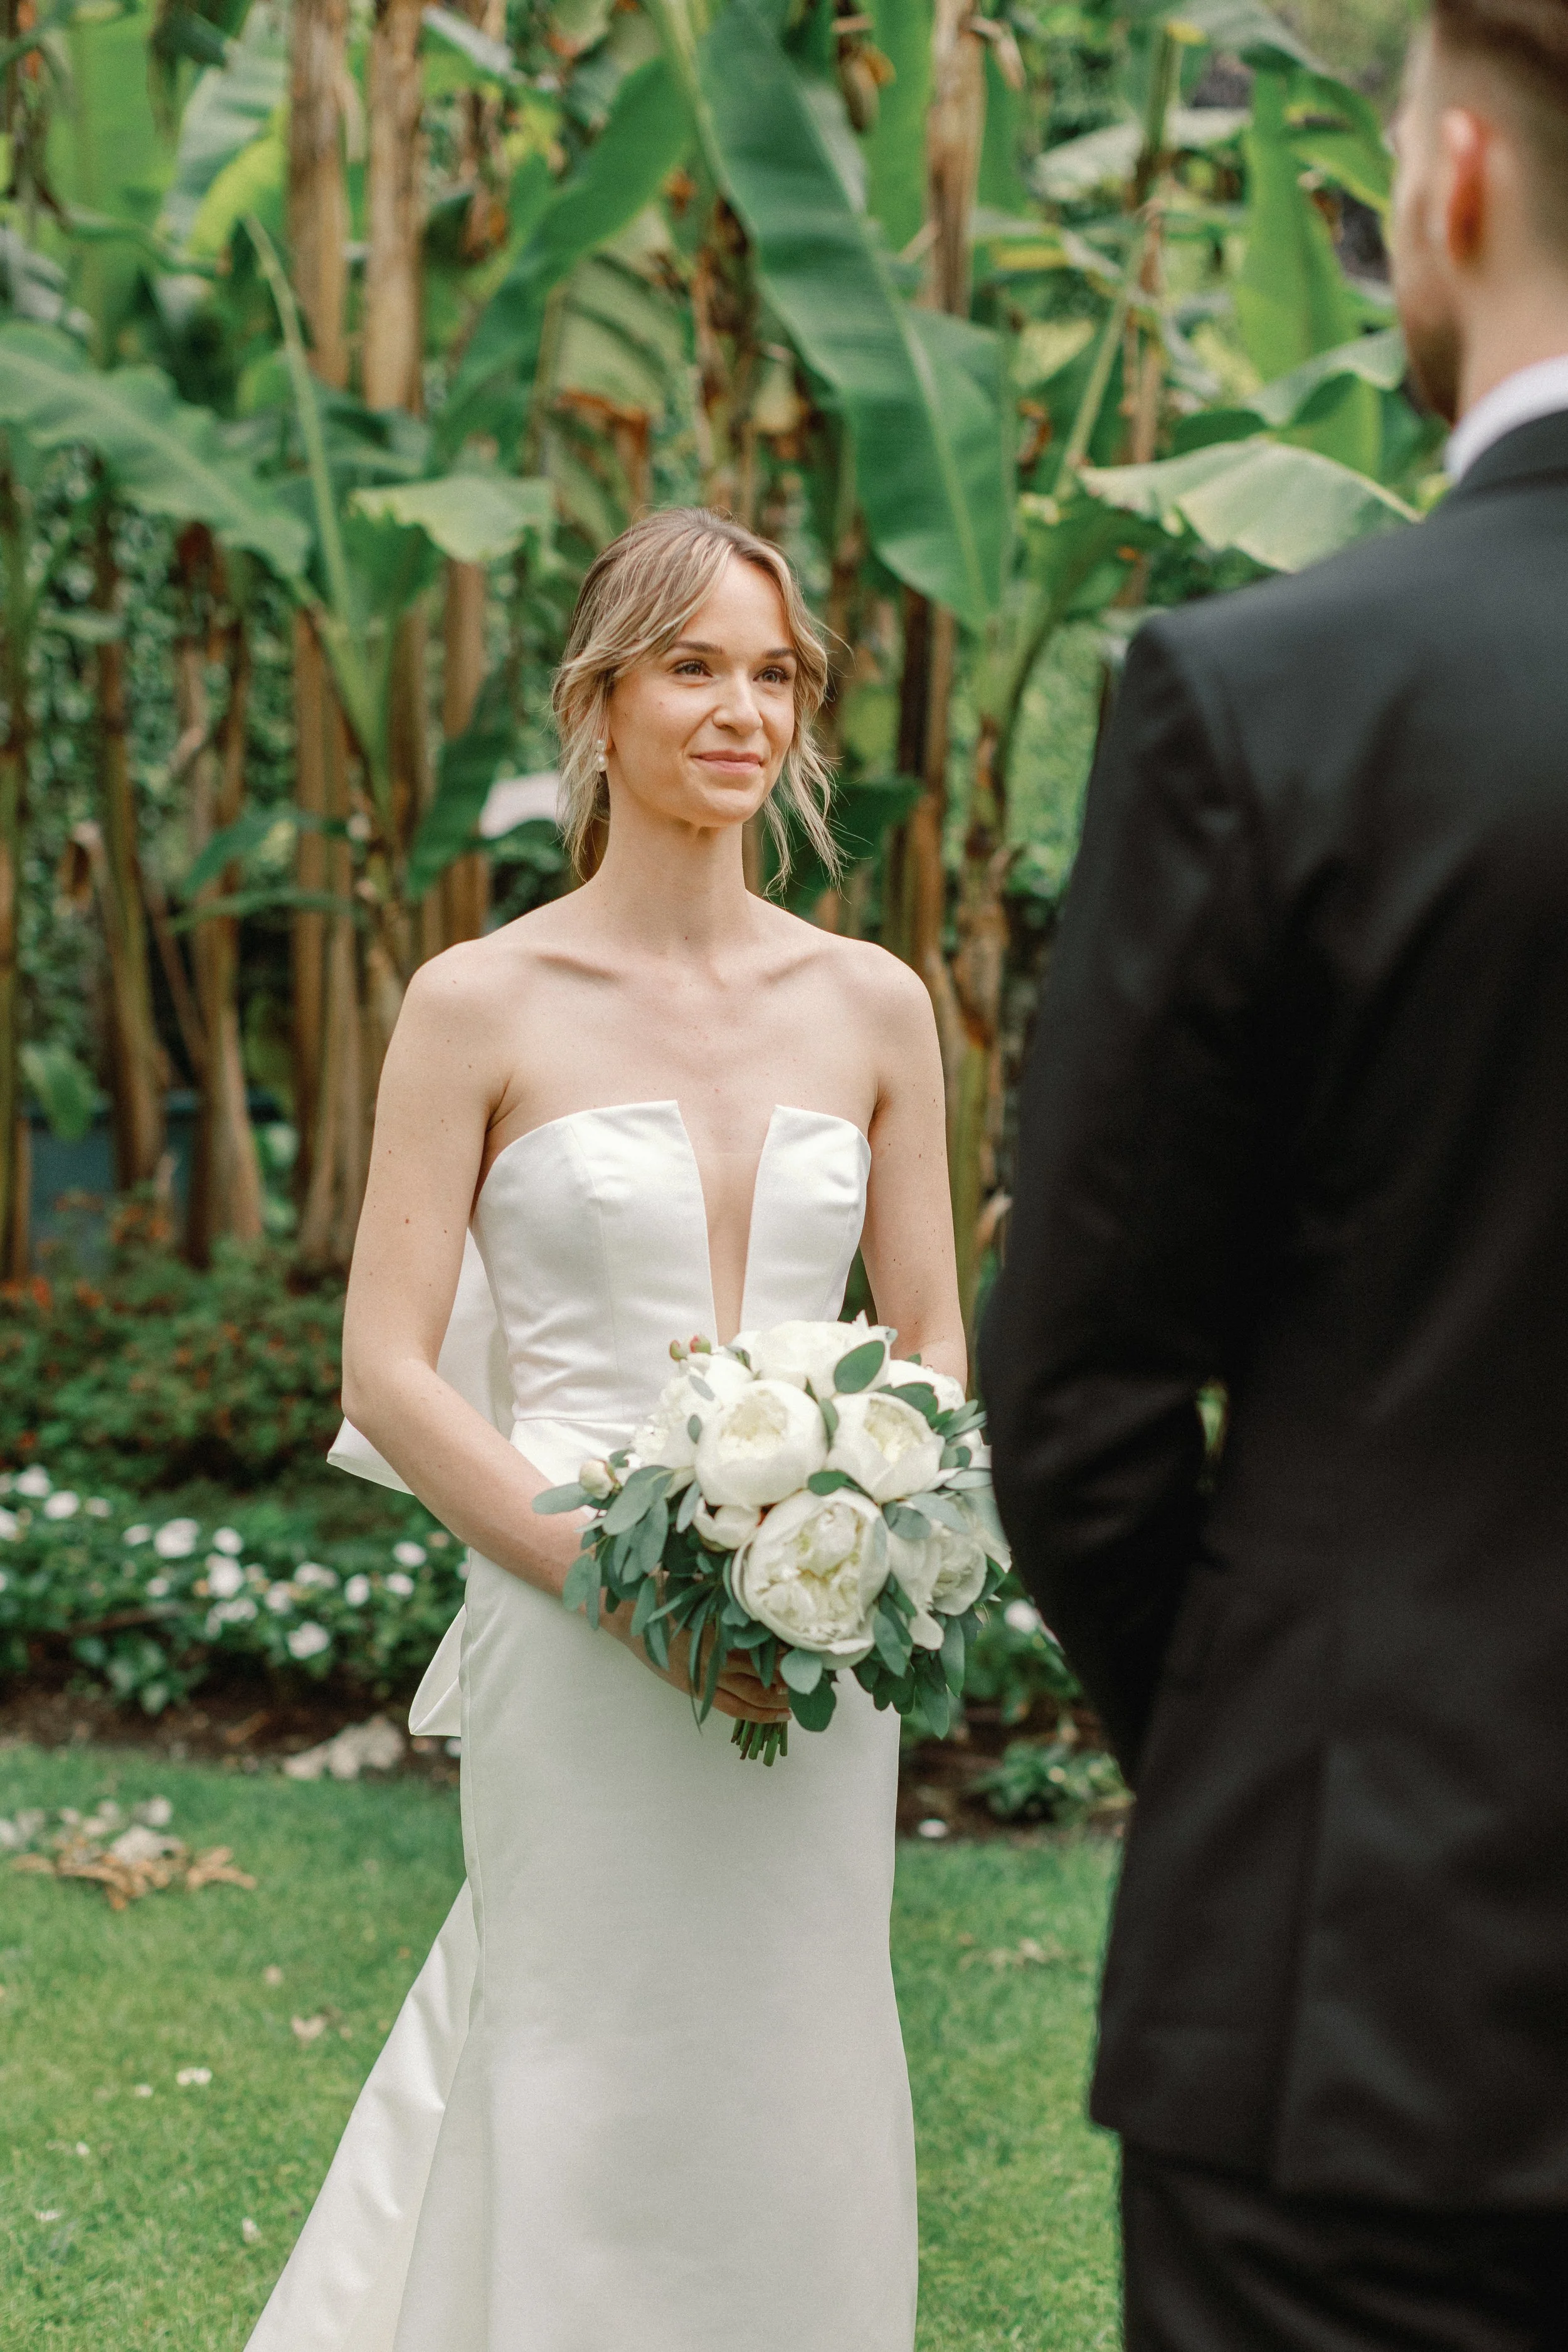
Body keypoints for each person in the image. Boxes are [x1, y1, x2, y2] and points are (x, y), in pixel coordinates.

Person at [981, 4, 1568, 2346]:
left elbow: (1080, 1398)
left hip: (1363, 1989)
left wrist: (1266, 1744)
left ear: (1448, 179)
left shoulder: (1273, 696)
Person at [245, 508, 963, 2352]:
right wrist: (624, 1589)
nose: (743, 709)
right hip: (568, 1631)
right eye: (694, 665)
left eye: (775, 673)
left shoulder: (875, 1005)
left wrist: (871, 1551)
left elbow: (932, 1340)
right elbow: (387, 1372)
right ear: (601, 696)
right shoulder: (477, 1002)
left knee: (805, 2069)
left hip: (814, 1648)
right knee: (574, 2063)